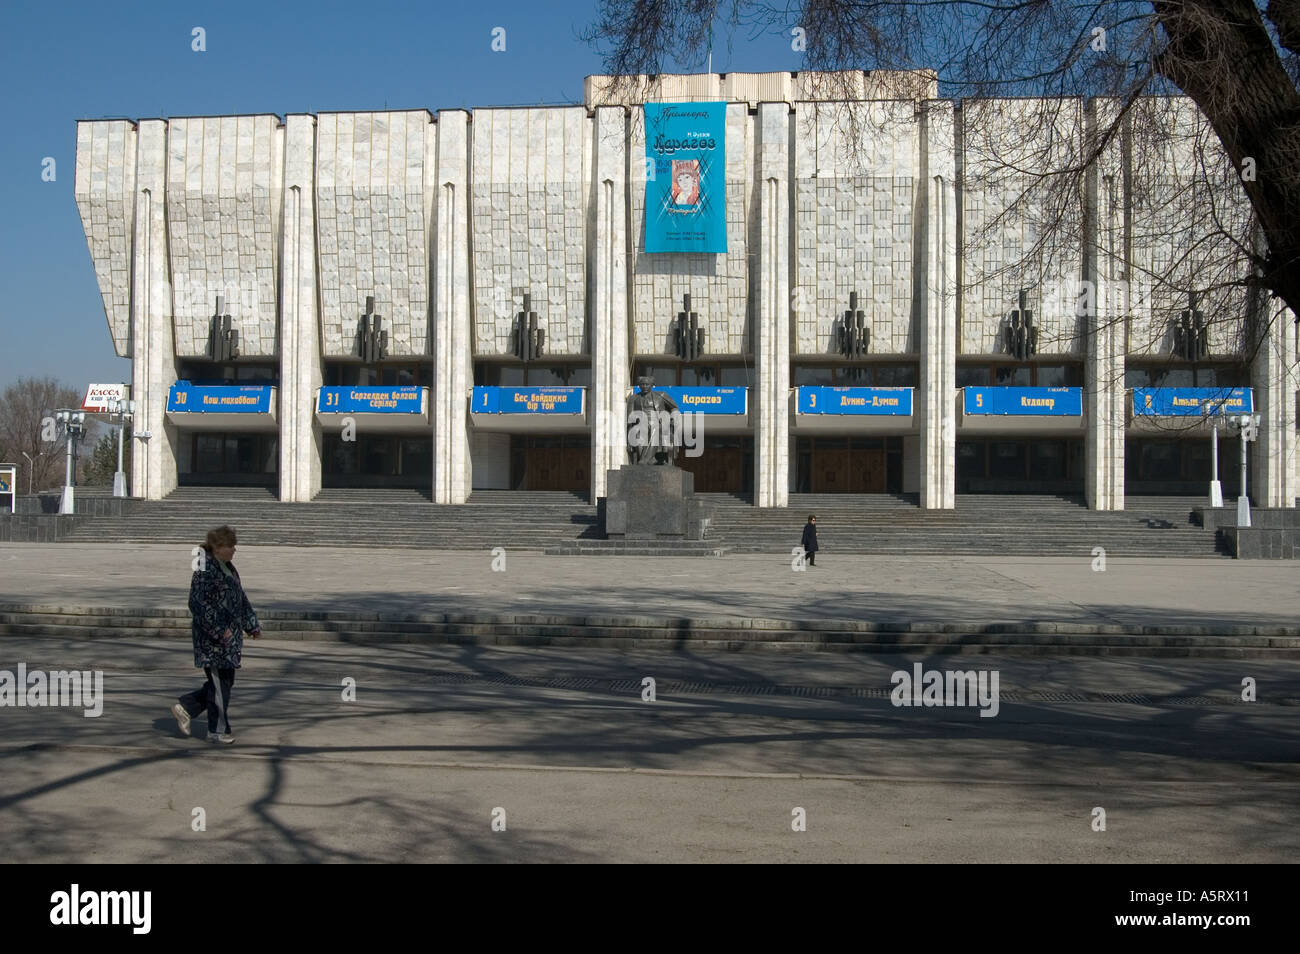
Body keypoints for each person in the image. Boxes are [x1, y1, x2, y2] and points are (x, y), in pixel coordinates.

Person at [171, 525, 260, 744]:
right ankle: (218, 730)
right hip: (213, 641)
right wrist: (220, 630)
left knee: (223, 684)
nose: (234, 550)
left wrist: (251, 624)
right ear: (218, 547)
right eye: (230, 546)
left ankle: (187, 707)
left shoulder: (228, 567)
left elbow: (241, 598)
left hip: (230, 640)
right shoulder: (205, 568)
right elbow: (197, 603)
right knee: (221, 685)